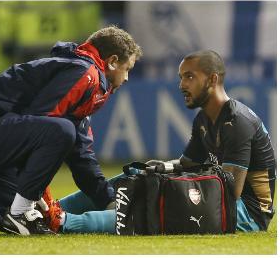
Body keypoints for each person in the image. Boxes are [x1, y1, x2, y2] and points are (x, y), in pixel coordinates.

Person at [39, 50, 276, 234]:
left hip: (245, 213)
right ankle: (47, 208)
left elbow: (230, 190)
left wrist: (172, 183)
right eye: (181, 77)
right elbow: (187, 163)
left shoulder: (237, 122)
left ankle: (63, 221)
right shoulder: (204, 119)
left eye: (190, 77)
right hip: (220, 196)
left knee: (155, 203)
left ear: (212, 79)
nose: (182, 85)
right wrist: (160, 169)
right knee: (135, 178)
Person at [0, 26, 142, 235]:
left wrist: (109, 202)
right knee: (62, 131)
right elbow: (42, 123)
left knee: (18, 207)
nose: (127, 78)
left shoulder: (82, 75)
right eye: (128, 69)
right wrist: (38, 193)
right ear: (113, 61)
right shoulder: (86, 73)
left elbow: (81, 157)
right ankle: (20, 212)